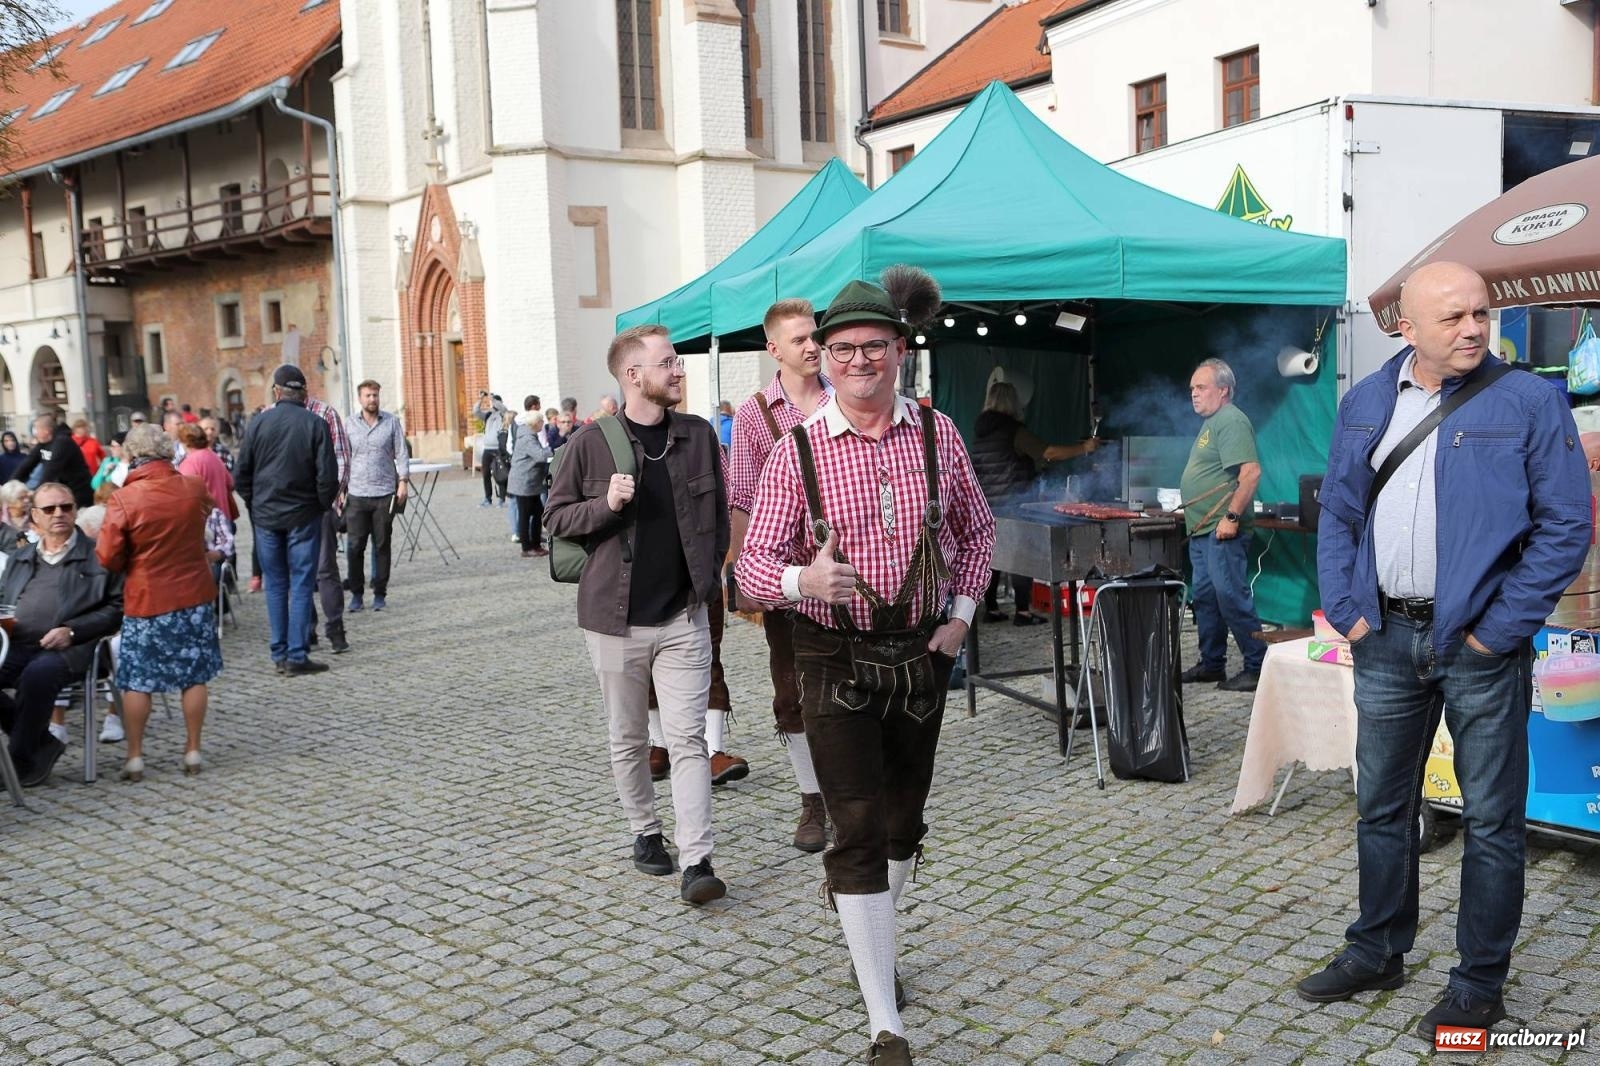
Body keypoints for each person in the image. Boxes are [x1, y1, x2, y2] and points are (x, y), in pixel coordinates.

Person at [1300, 262, 1592, 1040]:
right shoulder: (1364, 402)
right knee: (1381, 808)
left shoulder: (1529, 399)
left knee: (1494, 819)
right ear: (1407, 328)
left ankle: (1477, 984)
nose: (1473, 328)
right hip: (1385, 637)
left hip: (1479, 646)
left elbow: (1566, 526)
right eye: (1454, 317)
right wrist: (1350, 611)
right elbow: (1339, 515)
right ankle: (1377, 950)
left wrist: (1499, 629)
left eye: (1481, 313)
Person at [735, 270, 995, 1066]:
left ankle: (868, 931)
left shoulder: (938, 434)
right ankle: (885, 1017)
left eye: (872, 347)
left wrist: (959, 619)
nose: (856, 361)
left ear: (899, 350)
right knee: (853, 828)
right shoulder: (796, 451)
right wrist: (800, 581)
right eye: (840, 349)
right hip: (830, 656)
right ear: (823, 356)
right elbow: (749, 570)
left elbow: (980, 534)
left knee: (903, 828)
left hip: (921, 652)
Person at [545, 324, 730, 906]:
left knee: (688, 740)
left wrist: (709, 583)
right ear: (633, 375)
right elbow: (555, 520)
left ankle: (697, 858)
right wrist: (607, 505)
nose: (679, 370)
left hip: (683, 617)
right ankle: (644, 832)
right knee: (628, 738)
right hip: (614, 617)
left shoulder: (697, 435)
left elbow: (719, 514)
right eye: (668, 363)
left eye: (677, 362)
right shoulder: (589, 444)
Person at [724, 297, 835, 851]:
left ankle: (857, 789)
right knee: (792, 693)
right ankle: (812, 797)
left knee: (859, 684)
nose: (813, 346)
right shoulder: (755, 413)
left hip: (854, 572)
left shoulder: (848, 397)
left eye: (815, 336)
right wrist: (744, 578)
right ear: (774, 349)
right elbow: (742, 496)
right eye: (800, 340)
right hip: (789, 579)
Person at [95, 426, 223, 782]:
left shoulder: (124, 499)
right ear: (168, 452)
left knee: (138, 680)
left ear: (133, 456)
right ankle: (193, 748)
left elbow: (107, 557)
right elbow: (205, 520)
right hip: (194, 594)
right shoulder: (193, 488)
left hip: (146, 596)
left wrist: (131, 563)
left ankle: (135, 756)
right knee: (194, 676)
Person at [0, 482, 124, 787]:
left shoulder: (99, 555)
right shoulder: (20, 557)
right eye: (50, 509)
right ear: (35, 517)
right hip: (17, 641)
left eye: (66, 507)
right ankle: (40, 744)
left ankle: (17, 762)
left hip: (75, 646)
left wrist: (73, 630)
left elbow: (117, 608)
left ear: (75, 512)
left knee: (37, 675)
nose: (59, 514)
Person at [234, 364, 339, 675]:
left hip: (268, 516)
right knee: (302, 583)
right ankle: (295, 654)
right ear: (304, 394)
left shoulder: (258, 424)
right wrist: (320, 506)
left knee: (277, 584)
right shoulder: (315, 424)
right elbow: (328, 477)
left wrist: (256, 505)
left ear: (277, 392)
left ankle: (281, 653)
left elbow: (241, 475)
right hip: (302, 515)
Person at [970, 379, 1098, 626]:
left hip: (986, 503)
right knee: (1019, 554)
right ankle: (1022, 611)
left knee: (993, 556)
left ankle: (991, 608)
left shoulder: (980, 432)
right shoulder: (1012, 429)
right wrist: (1084, 448)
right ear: (1012, 403)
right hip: (1013, 501)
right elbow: (1047, 452)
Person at [1177, 358, 1266, 692]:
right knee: (1204, 598)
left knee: (1230, 596)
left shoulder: (1230, 419)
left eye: (1201, 388)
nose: (1194, 395)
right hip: (1204, 530)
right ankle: (1212, 664)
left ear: (1224, 390)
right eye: (1192, 389)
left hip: (1221, 528)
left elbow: (1251, 472)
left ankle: (1257, 665)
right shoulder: (1213, 422)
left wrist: (1231, 518)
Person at [344, 379, 410, 611]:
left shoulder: (391, 422)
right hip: (357, 494)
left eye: (375, 395)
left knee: (382, 545)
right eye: (368, 396)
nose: (372, 399)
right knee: (354, 546)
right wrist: (340, 489)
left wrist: (403, 482)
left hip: (384, 493)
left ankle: (380, 592)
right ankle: (356, 594)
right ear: (360, 399)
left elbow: (401, 453)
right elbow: (342, 457)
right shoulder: (349, 424)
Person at [15, 414, 94, 508]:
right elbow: (27, 465)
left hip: (78, 491)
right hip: (63, 491)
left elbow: (51, 470)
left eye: (37, 429)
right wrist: (10, 486)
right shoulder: (43, 444)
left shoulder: (63, 442)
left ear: (46, 431)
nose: (35, 433)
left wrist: (37, 493)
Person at [176, 424, 238, 534]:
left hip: (207, 522)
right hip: (224, 517)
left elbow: (183, 494)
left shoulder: (189, 462)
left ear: (185, 442)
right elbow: (230, 483)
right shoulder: (213, 456)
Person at [507, 406, 551, 558]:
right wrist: (551, 450)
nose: (543, 424)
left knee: (537, 511)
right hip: (524, 482)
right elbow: (540, 456)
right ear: (535, 423)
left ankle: (535, 542)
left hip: (529, 482)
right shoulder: (527, 438)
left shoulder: (528, 434)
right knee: (526, 515)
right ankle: (528, 547)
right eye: (541, 421)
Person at [477, 394, 510, 507]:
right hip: (487, 448)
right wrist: (481, 399)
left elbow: (504, 408)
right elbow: (476, 411)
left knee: (499, 473)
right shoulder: (488, 415)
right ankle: (487, 498)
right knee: (485, 473)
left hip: (498, 449)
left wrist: (493, 399)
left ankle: (501, 499)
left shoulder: (503, 414)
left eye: (495, 402)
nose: (493, 405)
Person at [0, 480, 32, 552]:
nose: (27, 500)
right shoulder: (2, 518)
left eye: (27, 497)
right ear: (9, 502)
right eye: (21, 498)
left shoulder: (34, 516)